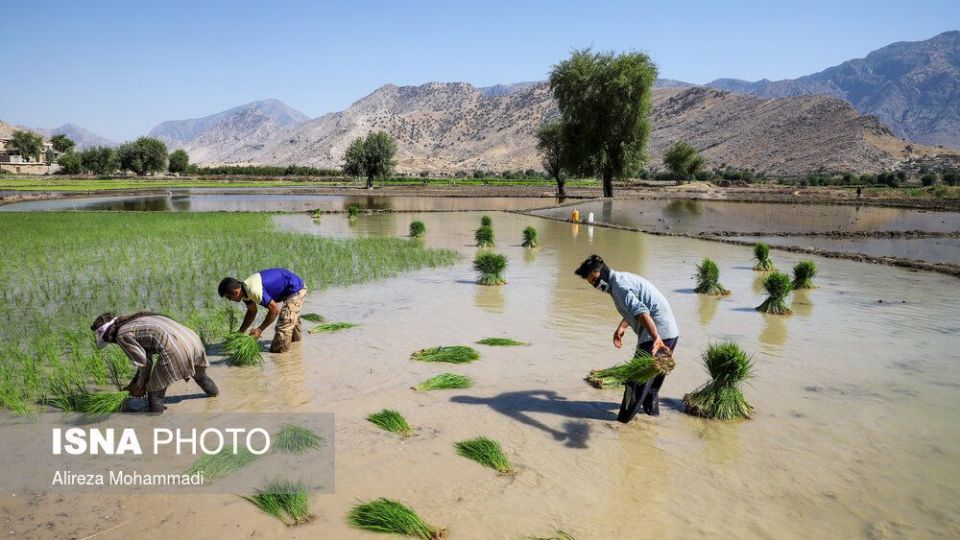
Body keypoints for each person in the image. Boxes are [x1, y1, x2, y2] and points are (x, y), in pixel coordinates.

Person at [574, 254, 679, 422]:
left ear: (600, 271)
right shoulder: (620, 280)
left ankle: (622, 424)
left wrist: (656, 338)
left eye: (594, 280)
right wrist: (623, 326)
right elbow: (638, 307)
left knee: (634, 383)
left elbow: (641, 312)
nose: (595, 285)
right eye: (591, 283)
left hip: (657, 336)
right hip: (671, 332)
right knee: (651, 385)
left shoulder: (619, 287)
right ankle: (652, 420)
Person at [91, 312, 219, 414]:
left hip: (176, 347)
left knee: (154, 391)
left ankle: (154, 425)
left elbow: (144, 362)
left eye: (106, 339)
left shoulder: (121, 334)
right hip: (192, 339)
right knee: (200, 376)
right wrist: (134, 384)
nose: (110, 342)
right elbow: (146, 358)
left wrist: (141, 387)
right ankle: (216, 398)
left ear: (109, 334)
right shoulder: (137, 320)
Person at [218, 268, 306, 353]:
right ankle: (296, 349)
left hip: (295, 288)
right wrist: (239, 333)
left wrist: (259, 330)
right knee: (291, 323)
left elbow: (275, 310)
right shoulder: (244, 292)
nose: (230, 300)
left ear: (235, 292)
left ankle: (283, 360)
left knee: (283, 330)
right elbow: (252, 312)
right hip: (286, 290)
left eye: (229, 297)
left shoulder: (253, 290)